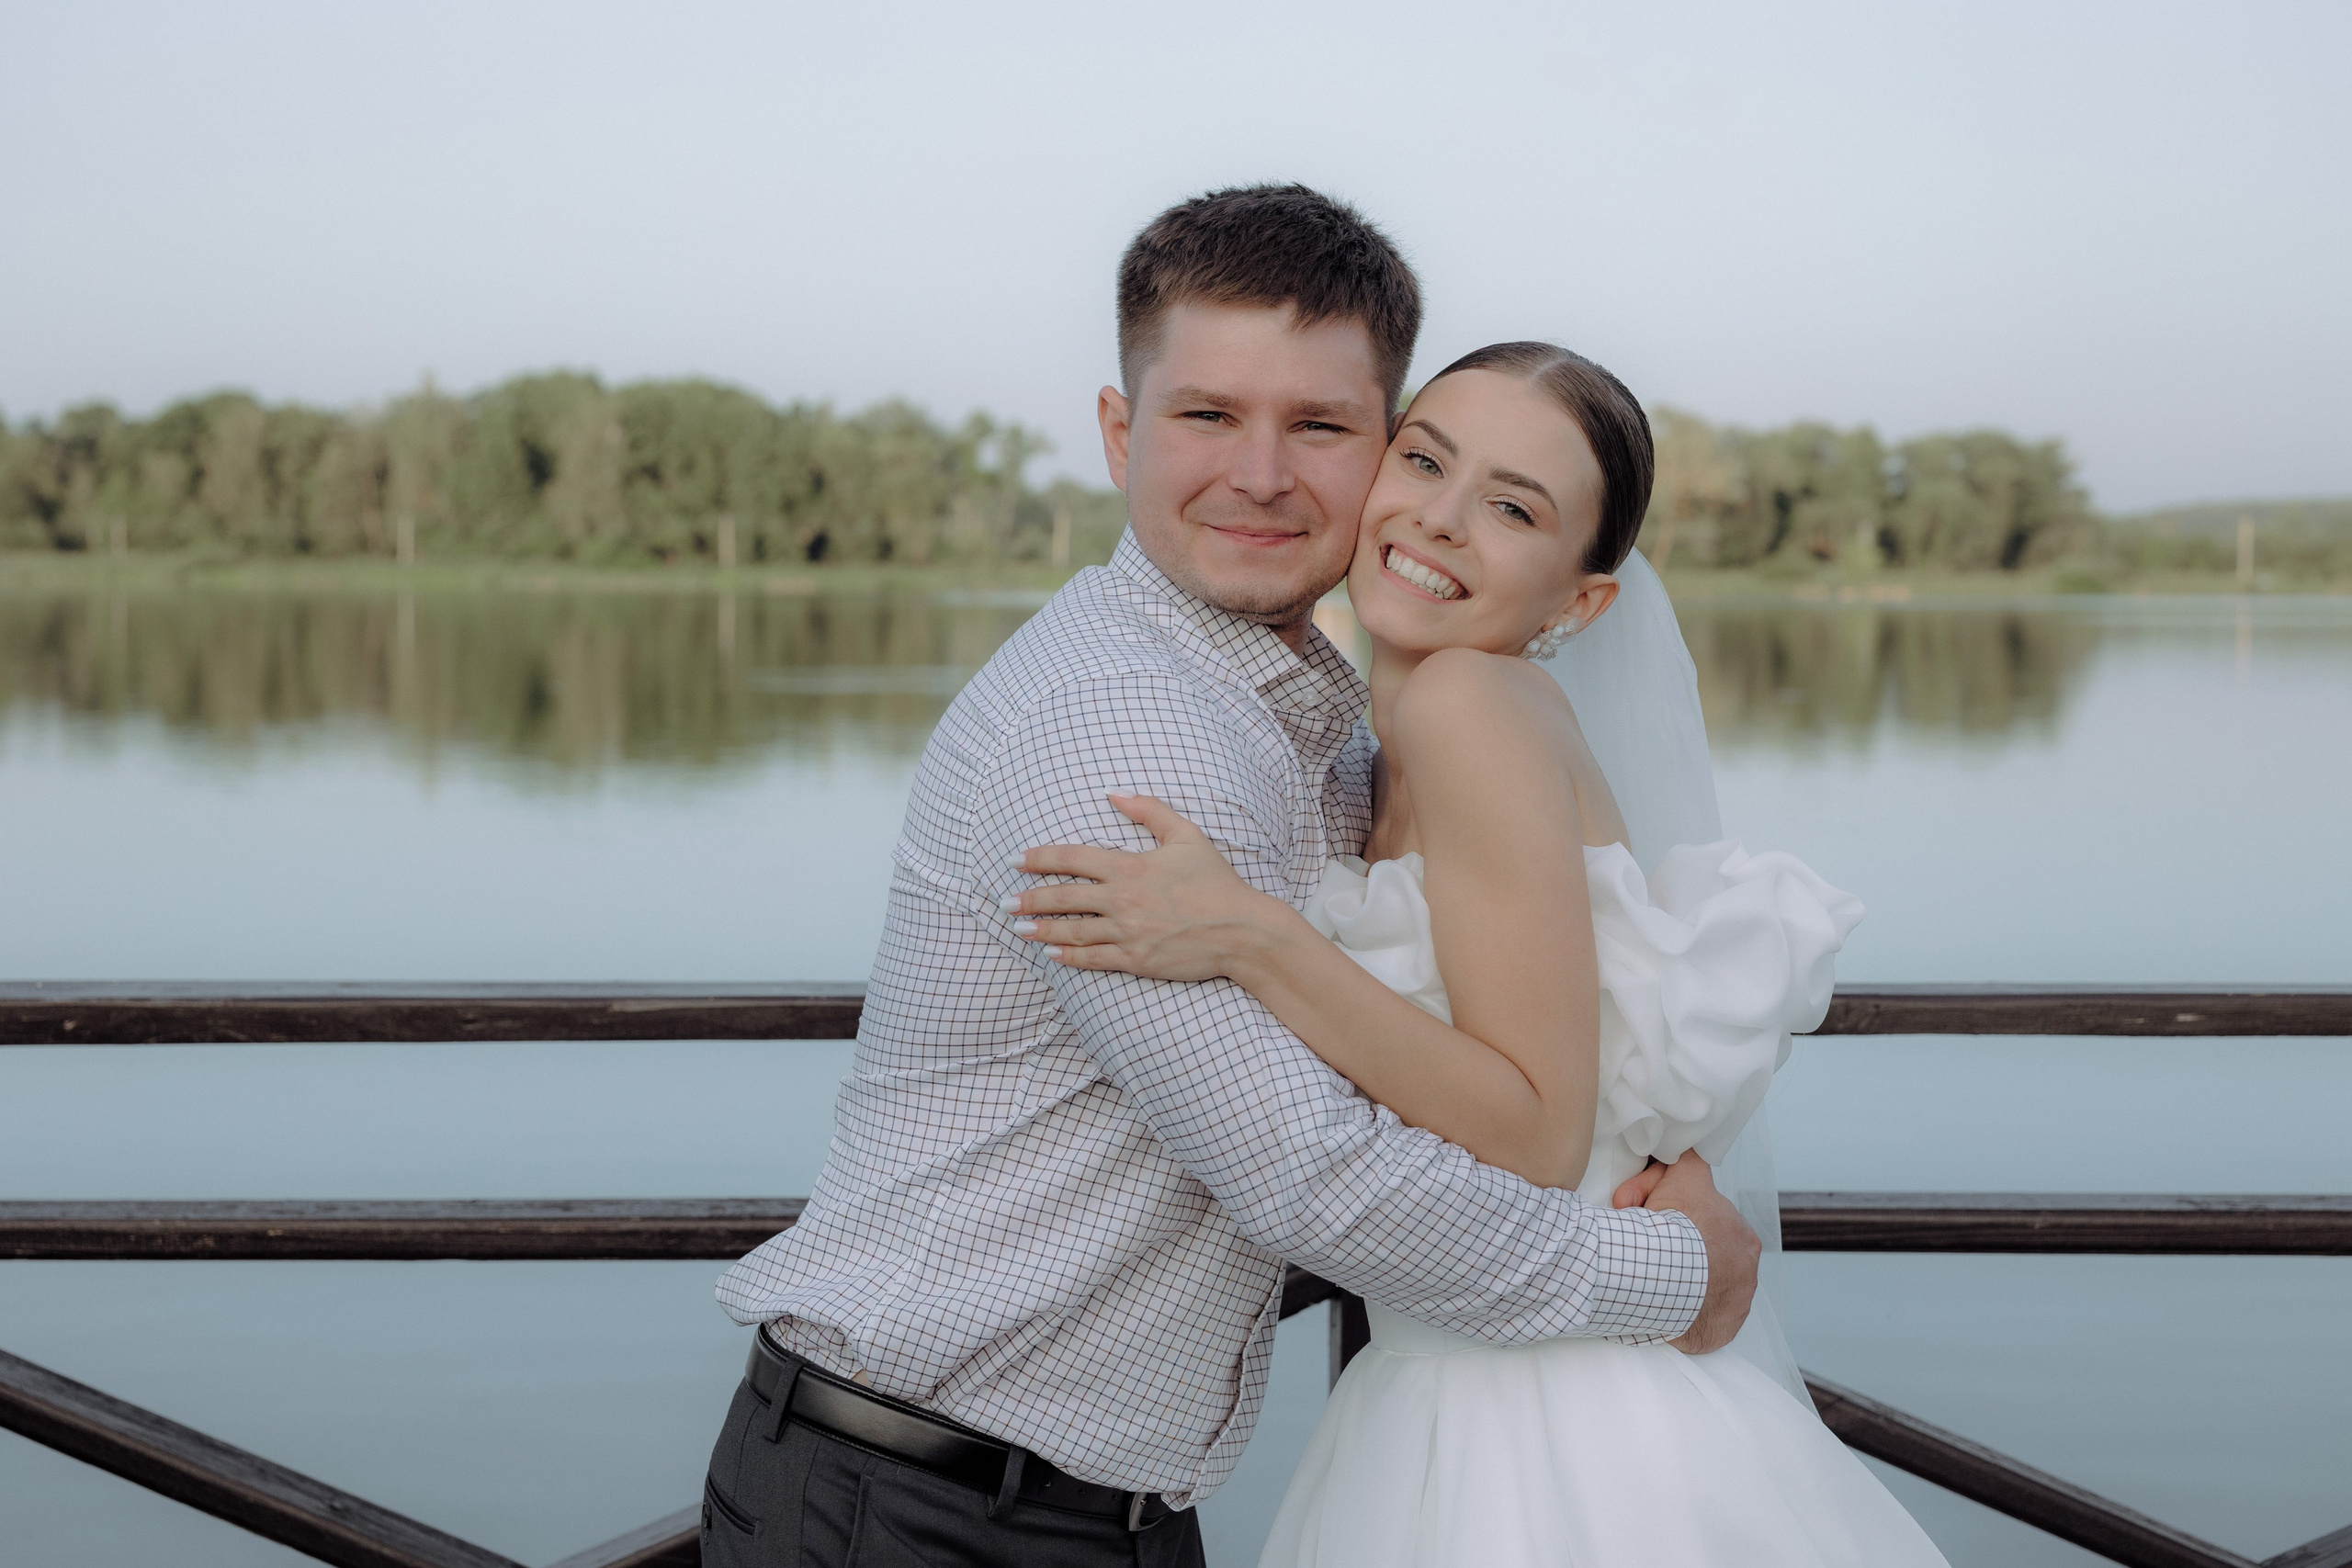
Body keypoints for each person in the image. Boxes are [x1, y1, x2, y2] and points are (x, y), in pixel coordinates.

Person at [701, 185, 1759, 1568]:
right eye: (1208, 415)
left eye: (1319, 427)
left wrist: (1643, 1154)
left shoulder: (1327, 728)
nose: (1261, 476)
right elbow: (1313, 1177)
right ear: (1118, 432)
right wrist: (1678, 1269)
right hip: (916, 1509)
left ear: (1376, 448)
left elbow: (1479, 1056)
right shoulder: (1116, 735)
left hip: (1095, 1507)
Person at [1006, 344, 1951, 1564]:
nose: (1441, 520)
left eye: (1513, 509)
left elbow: (1538, 1130)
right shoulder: (1378, 750)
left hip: (1550, 1424)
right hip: (1474, 1370)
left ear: (1579, 602)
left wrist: (1251, 933)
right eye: (1424, 461)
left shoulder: (1468, 707)